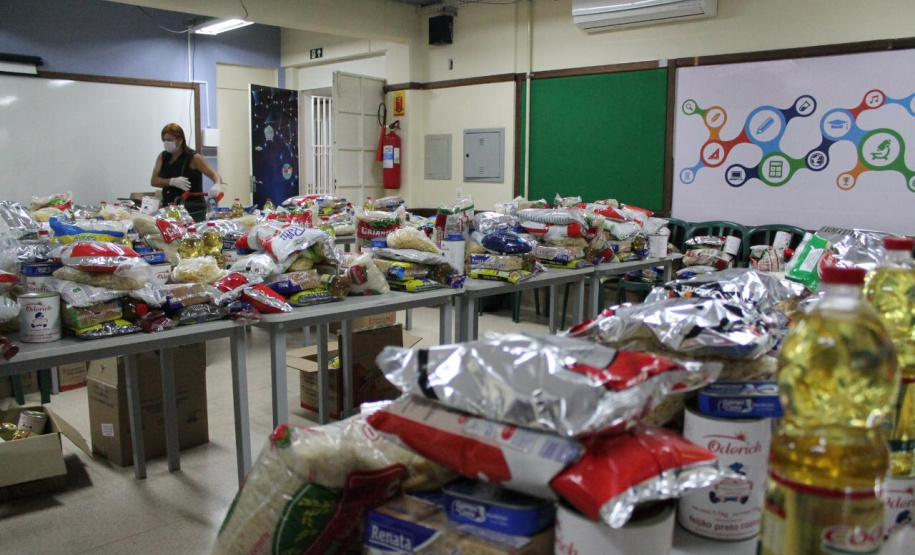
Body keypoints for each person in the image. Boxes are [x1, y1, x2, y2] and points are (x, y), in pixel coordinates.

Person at [150, 123, 222, 221]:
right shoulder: (163, 156)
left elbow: (214, 174)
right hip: (170, 208)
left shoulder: (194, 157)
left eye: (170, 140)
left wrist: (217, 184)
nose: (166, 143)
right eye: (164, 140)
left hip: (193, 211)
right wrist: (172, 181)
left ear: (180, 140)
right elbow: (154, 181)